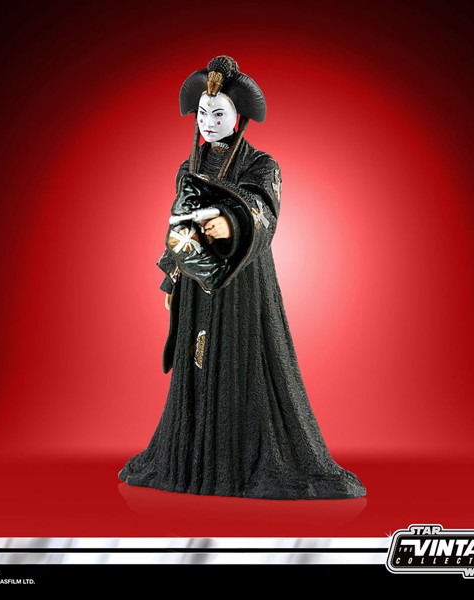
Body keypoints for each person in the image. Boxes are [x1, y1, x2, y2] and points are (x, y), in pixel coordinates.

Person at [118, 56, 366, 500]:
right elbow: (178, 224)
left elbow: (264, 212)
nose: (208, 122)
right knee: (197, 359)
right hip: (196, 283)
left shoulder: (261, 166)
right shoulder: (189, 166)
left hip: (243, 283)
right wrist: (172, 276)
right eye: (203, 113)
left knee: (241, 359)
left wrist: (230, 223)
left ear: (239, 118)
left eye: (219, 114)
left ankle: (243, 458)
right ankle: (193, 457)